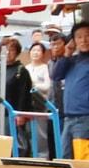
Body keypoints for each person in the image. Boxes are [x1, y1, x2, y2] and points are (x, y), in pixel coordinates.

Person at [51, 22, 89, 158]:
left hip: (85, 117)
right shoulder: (71, 60)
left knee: (82, 160)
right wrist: (67, 53)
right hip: (68, 117)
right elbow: (55, 75)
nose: (84, 40)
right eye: (79, 37)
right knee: (64, 160)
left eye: (87, 36)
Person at [27, 41, 54, 155]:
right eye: (34, 50)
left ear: (43, 53)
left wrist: (33, 84)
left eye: (39, 51)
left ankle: (43, 157)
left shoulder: (45, 67)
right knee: (29, 133)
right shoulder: (26, 67)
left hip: (41, 104)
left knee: (41, 134)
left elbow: (47, 86)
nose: (36, 53)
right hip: (28, 105)